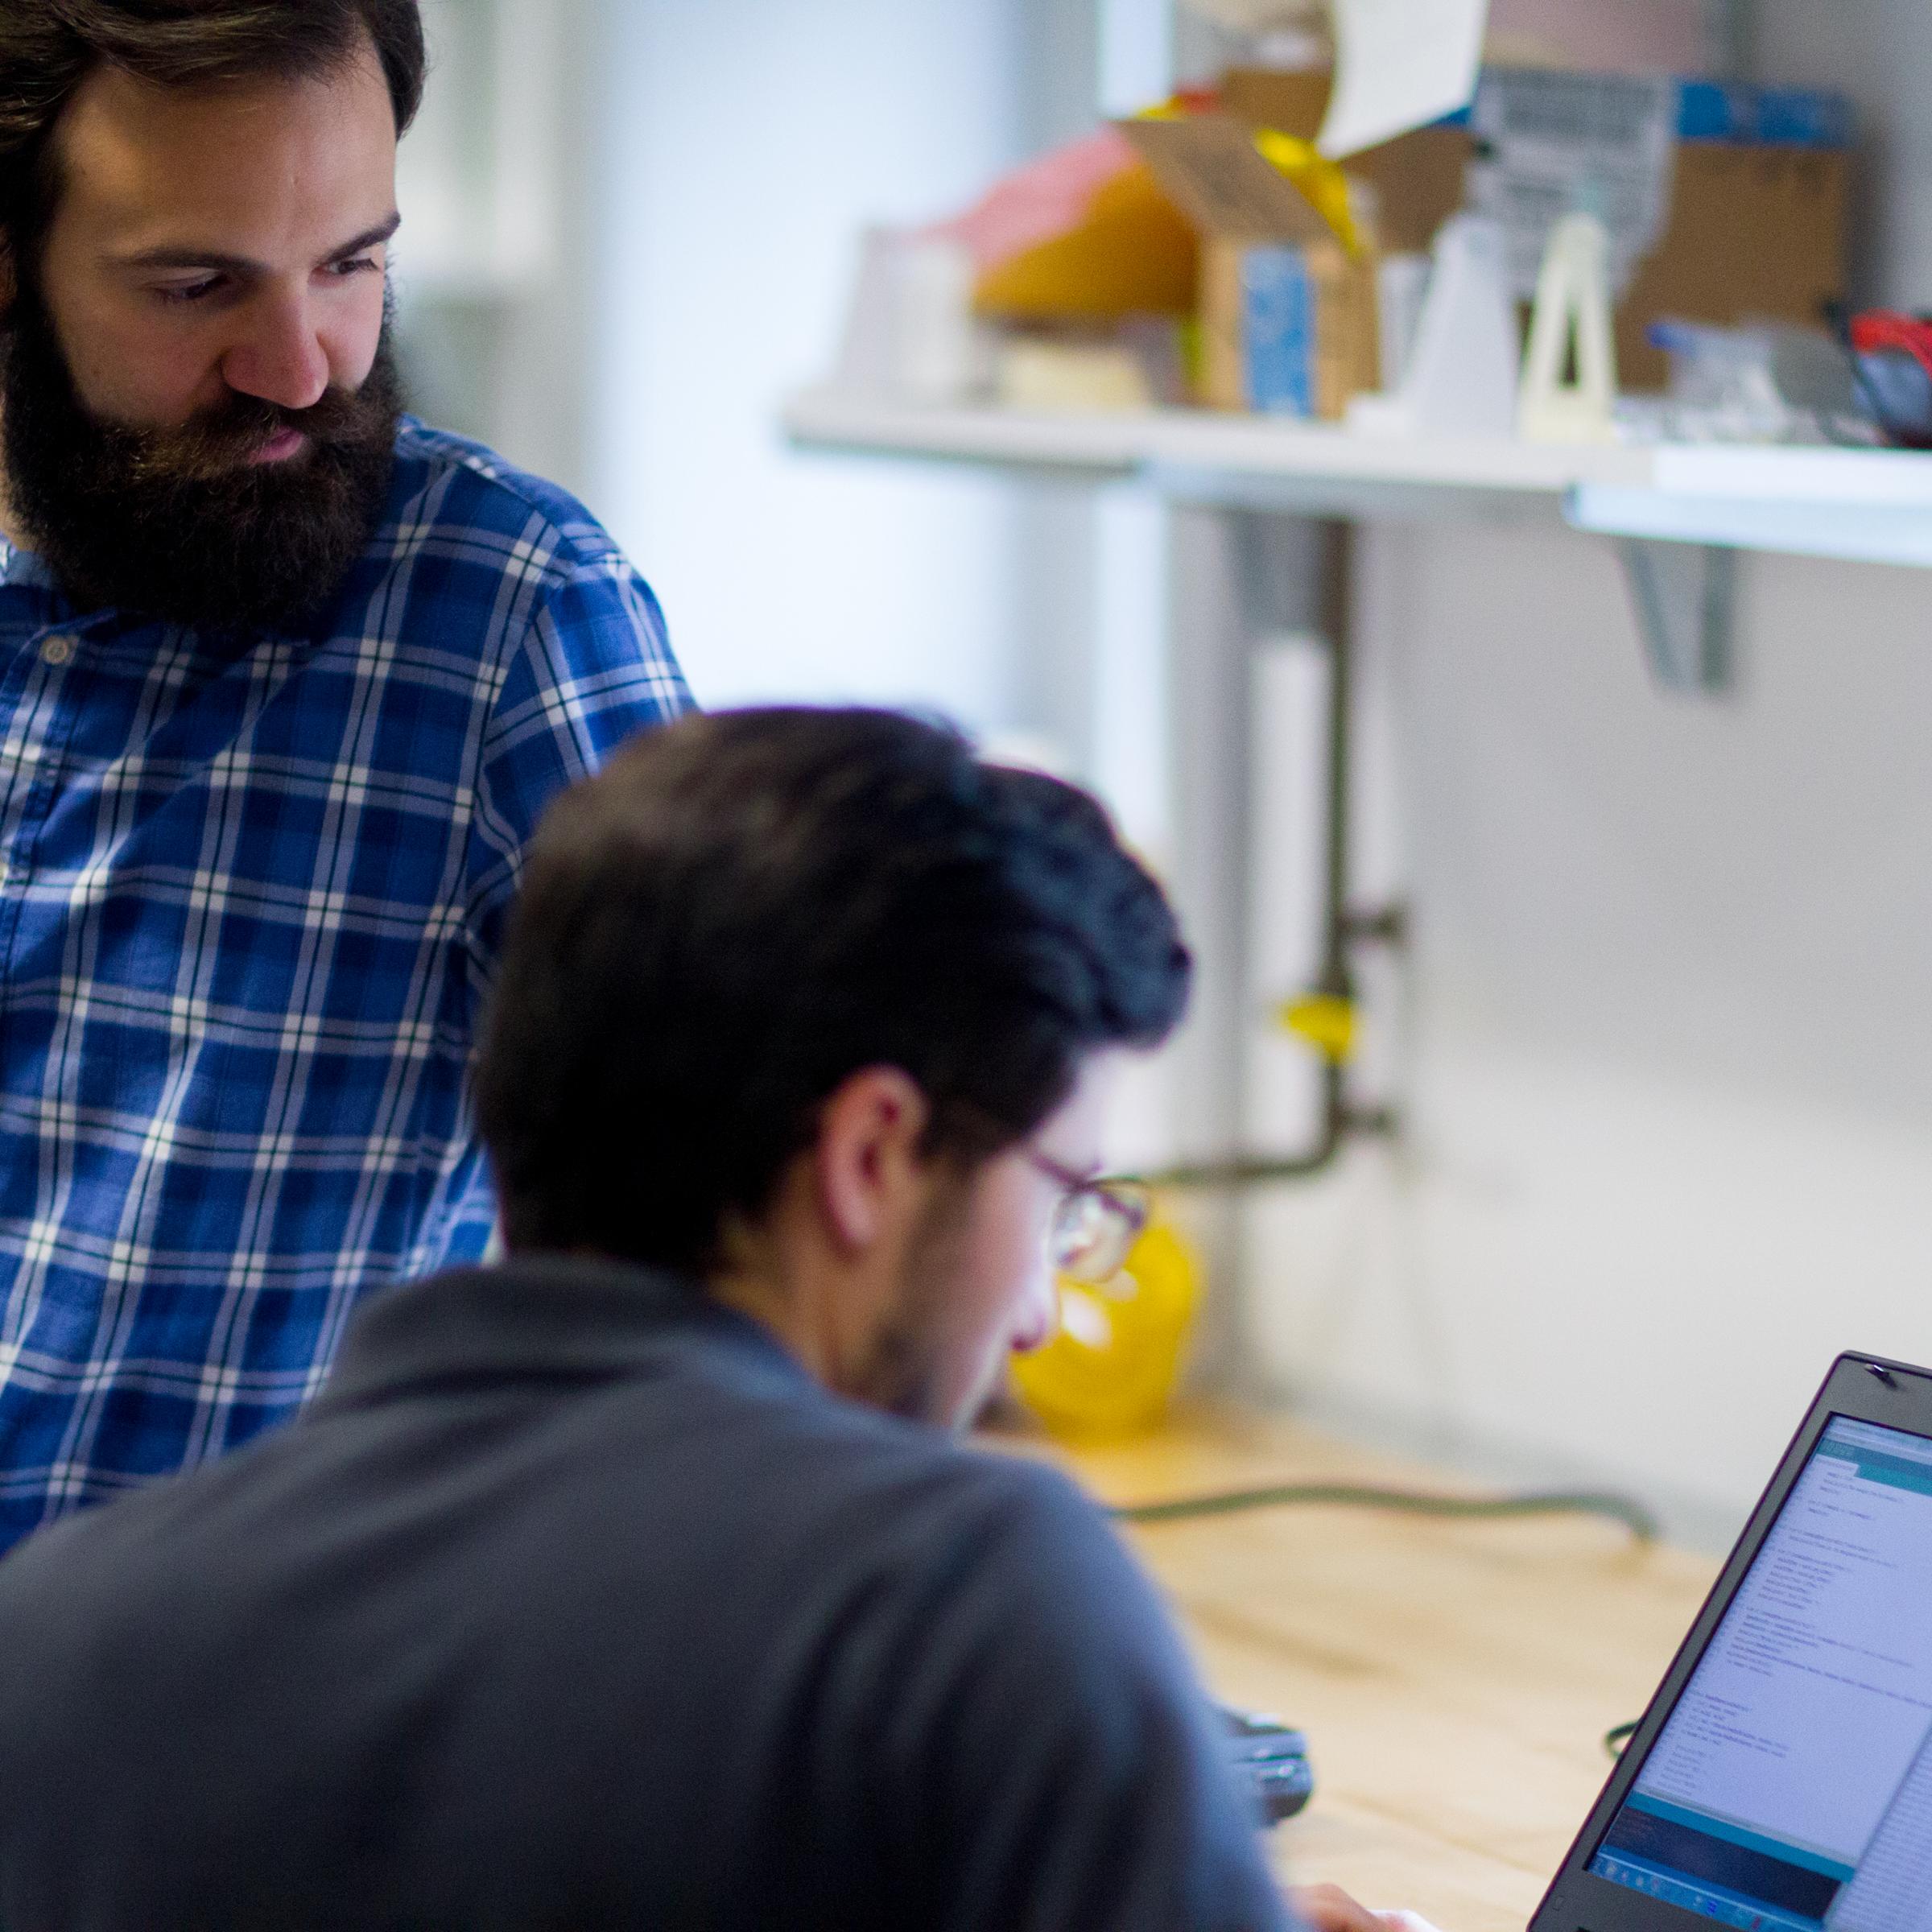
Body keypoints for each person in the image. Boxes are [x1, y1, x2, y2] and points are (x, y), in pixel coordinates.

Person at [0, 708, 1392, 1932]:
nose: (1036, 1316)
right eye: (1059, 1201)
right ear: (871, 1157)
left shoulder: (64, 1638)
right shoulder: (960, 1606)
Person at [0, 0, 688, 1550]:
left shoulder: (510, 615)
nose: (305, 369)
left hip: (246, 1661)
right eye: (198, 286)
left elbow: (731, 1216)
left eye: (353, 264)